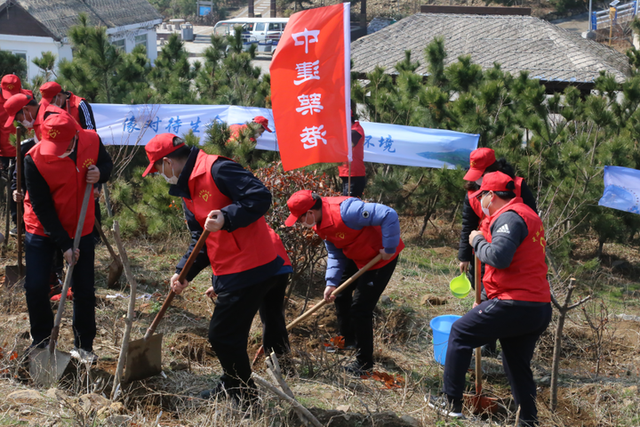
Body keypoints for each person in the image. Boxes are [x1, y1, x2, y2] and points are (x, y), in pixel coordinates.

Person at [141, 133, 289, 406]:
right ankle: (230, 383)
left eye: (158, 169)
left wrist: (227, 216)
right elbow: (199, 239)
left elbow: (260, 196)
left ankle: (245, 398)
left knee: (222, 335)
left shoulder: (217, 168)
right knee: (231, 336)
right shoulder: (186, 189)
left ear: (168, 162)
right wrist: (182, 272)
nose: (159, 175)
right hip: (229, 267)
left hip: (252, 264)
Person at [429, 171, 551, 426]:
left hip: (514, 303)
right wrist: (485, 299)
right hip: (537, 306)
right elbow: (514, 266)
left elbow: (499, 257)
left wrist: (477, 241)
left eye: (482, 195)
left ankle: (451, 403)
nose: (480, 201)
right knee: (516, 362)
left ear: (491, 195)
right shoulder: (529, 215)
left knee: (460, 333)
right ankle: (528, 420)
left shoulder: (510, 218)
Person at [22, 112, 112, 363]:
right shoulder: (35, 159)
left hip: (80, 225)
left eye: (64, 147)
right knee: (37, 286)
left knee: (83, 288)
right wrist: (64, 245)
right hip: (42, 227)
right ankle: (40, 341)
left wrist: (100, 174)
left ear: (76, 137)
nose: (58, 152)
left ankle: (84, 346)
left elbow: (107, 164)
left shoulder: (92, 140)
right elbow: (42, 206)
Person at [284, 190, 403, 376]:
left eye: (299, 219)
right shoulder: (320, 222)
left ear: (309, 213)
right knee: (339, 293)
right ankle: (348, 339)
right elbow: (335, 252)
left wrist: (389, 246)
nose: (299, 223)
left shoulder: (347, 211)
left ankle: (364, 364)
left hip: (381, 258)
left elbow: (388, 214)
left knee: (360, 310)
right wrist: (331, 282)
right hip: (357, 256)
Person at [458, 147, 537, 357]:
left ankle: (510, 345)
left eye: (481, 175)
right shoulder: (473, 193)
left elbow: (531, 218)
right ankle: (487, 342)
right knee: (484, 295)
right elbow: (469, 225)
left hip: (512, 251)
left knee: (507, 297)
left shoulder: (516, 187)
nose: (478, 181)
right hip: (482, 251)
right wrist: (464, 255)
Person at [337, 100, 366, 198]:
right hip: (345, 173)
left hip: (354, 175)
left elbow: (348, 144)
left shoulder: (356, 130)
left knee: (350, 206)